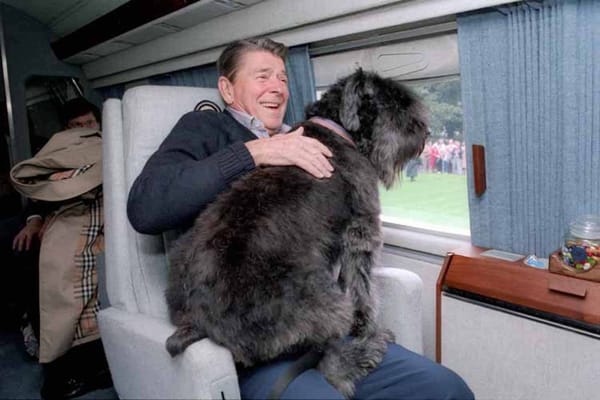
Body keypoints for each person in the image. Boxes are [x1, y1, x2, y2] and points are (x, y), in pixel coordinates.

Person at [128, 37, 473, 399]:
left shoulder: (308, 135)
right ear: (227, 89)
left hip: (327, 329)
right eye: (263, 76)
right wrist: (255, 152)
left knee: (447, 389)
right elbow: (146, 207)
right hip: (251, 337)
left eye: (282, 78)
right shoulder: (204, 129)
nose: (277, 87)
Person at [10, 97, 112, 399]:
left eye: (88, 124)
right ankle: (43, 342)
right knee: (48, 264)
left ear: (98, 124)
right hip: (62, 220)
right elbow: (36, 196)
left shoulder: (111, 147)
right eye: (76, 126)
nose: (83, 130)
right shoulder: (58, 153)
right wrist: (33, 221)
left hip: (100, 221)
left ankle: (79, 360)